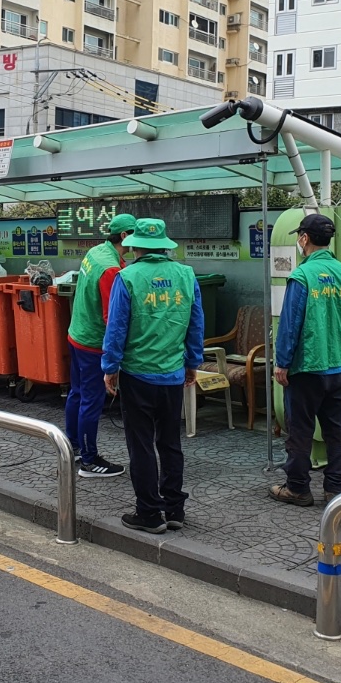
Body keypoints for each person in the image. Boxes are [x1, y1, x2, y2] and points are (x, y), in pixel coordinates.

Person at [101, 219, 205, 534]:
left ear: (134, 245)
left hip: (137, 376)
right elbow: (195, 322)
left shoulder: (128, 277)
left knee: (142, 444)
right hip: (173, 377)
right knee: (170, 442)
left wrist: (110, 367)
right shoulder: (186, 275)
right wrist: (192, 362)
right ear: (164, 245)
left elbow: (116, 328)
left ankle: (148, 513)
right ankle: (174, 509)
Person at [270, 213, 341, 507]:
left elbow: (290, 324)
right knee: (336, 431)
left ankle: (297, 488)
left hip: (306, 368)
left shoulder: (302, 277)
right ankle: (336, 490)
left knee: (300, 430)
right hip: (338, 367)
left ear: (304, 239)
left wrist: (282, 363)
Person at [65, 212, 137, 478]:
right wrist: (115, 357)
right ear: (124, 236)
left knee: (77, 393)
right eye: (135, 235)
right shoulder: (111, 269)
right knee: (91, 400)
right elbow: (112, 317)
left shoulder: (96, 252)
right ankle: (89, 459)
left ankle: (70, 446)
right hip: (93, 342)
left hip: (77, 334)